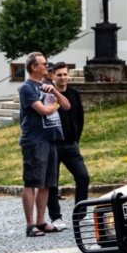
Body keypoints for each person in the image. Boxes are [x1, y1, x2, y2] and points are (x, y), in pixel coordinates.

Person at [19, 52, 70, 237]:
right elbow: (43, 110)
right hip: (34, 140)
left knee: (47, 183)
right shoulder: (27, 87)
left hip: (51, 139)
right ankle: (30, 224)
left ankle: (41, 221)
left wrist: (55, 93)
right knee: (31, 181)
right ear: (33, 67)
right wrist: (55, 104)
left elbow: (66, 105)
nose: (46, 66)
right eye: (43, 64)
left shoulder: (48, 85)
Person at [46, 62, 90, 230]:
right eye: (59, 75)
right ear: (53, 76)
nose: (63, 77)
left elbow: (80, 117)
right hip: (53, 145)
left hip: (71, 145)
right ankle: (56, 217)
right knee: (52, 182)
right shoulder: (48, 94)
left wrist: (76, 138)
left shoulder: (73, 93)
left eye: (65, 74)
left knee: (83, 177)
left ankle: (81, 214)